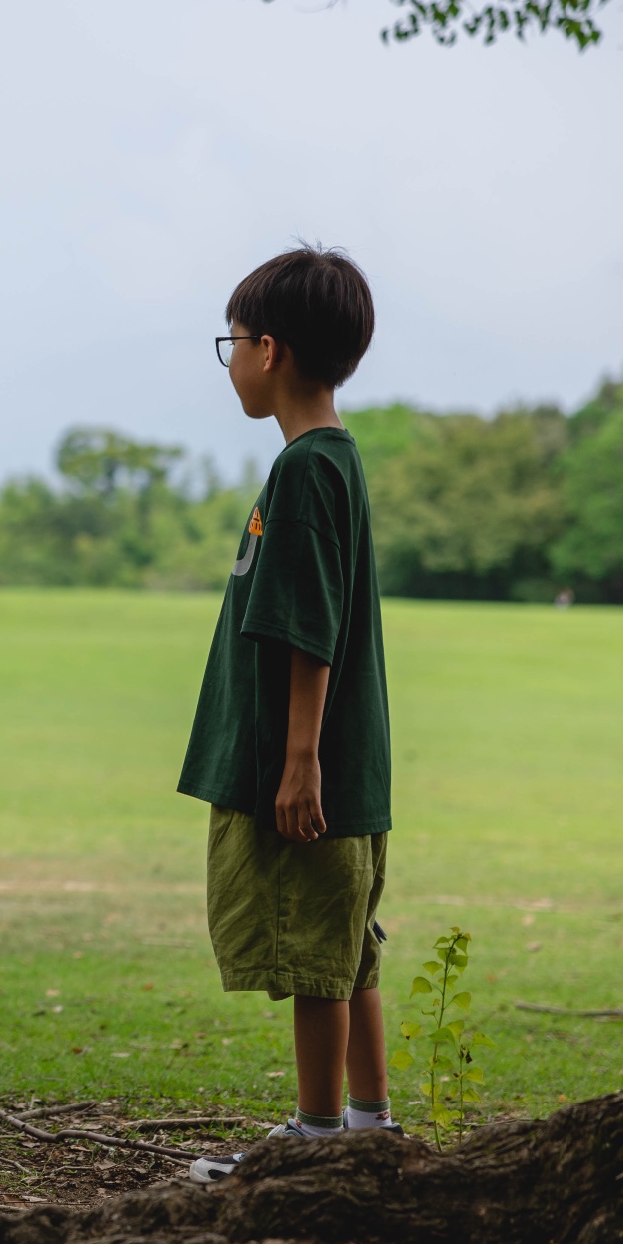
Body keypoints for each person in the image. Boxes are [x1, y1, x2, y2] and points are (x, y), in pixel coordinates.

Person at [176, 246, 398, 1183]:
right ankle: (369, 1121)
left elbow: (309, 627)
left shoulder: (309, 471)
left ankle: (315, 1145)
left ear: (269, 349)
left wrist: (298, 759)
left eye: (232, 340)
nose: (228, 359)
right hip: (346, 767)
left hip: (312, 765)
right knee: (348, 945)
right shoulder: (325, 463)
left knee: (316, 952)